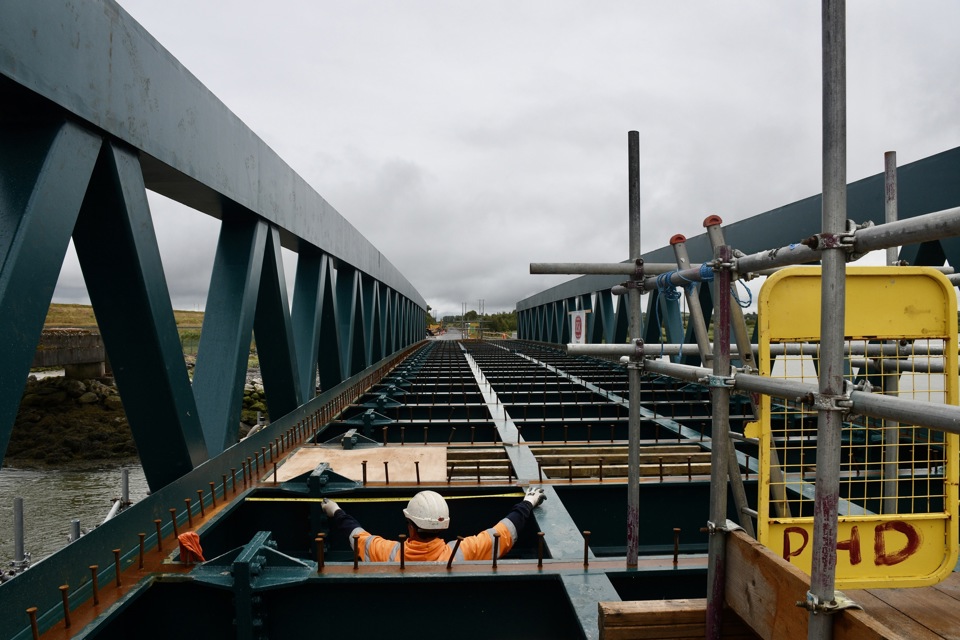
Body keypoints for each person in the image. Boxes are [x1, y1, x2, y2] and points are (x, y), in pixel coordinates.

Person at [321, 487, 546, 563]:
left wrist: (336, 511)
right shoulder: (462, 553)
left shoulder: (390, 554)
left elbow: (358, 537)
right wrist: (527, 502)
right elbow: (504, 532)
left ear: (409, 525)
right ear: (444, 526)